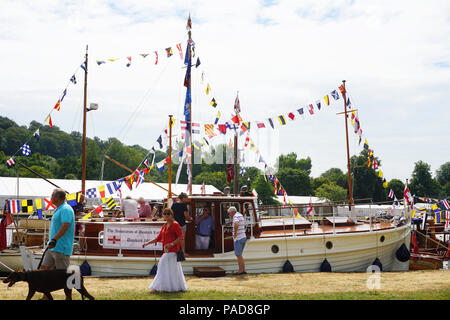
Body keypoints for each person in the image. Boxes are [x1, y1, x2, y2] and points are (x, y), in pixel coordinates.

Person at [39, 188, 75, 298]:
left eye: (52, 196)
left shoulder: (66, 209)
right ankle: (45, 297)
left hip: (61, 248)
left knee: (64, 276)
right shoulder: (58, 209)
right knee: (43, 271)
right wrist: (51, 240)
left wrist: (54, 239)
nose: (50, 198)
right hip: (52, 247)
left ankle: (68, 297)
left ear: (57, 197)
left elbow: (65, 226)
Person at [142, 208, 187, 293]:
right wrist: (147, 243)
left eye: (168, 213)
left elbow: (181, 237)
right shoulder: (164, 226)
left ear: (171, 215)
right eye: (164, 213)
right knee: (174, 270)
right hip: (166, 251)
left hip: (173, 251)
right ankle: (177, 287)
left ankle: (156, 288)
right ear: (162, 215)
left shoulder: (175, 225)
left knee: (162, 265)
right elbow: (158, 238)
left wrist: (171, 244)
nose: (166, 215)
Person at [228, 206, 247, 275]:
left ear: (232, 212)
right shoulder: (240, 215)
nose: (229, 215)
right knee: (240, 255)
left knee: (238, 255)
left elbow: (236, 224)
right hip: (243, 237)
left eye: (229, 213)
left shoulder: (235, 217)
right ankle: (243, 270)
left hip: (238, 238)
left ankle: (240, 271)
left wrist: (235, 234)